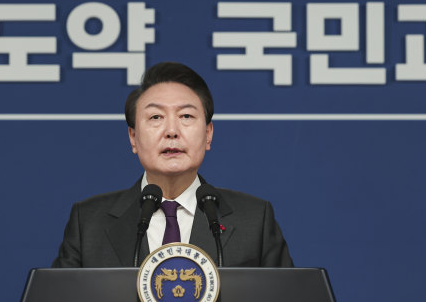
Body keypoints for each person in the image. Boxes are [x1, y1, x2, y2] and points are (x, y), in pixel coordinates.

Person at [52, 62, 293, 268]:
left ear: (208, 134)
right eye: (156, 117)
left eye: (186, 116)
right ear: (133, 137)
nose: (171, 131)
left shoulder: (253, 220)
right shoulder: (89, 223)